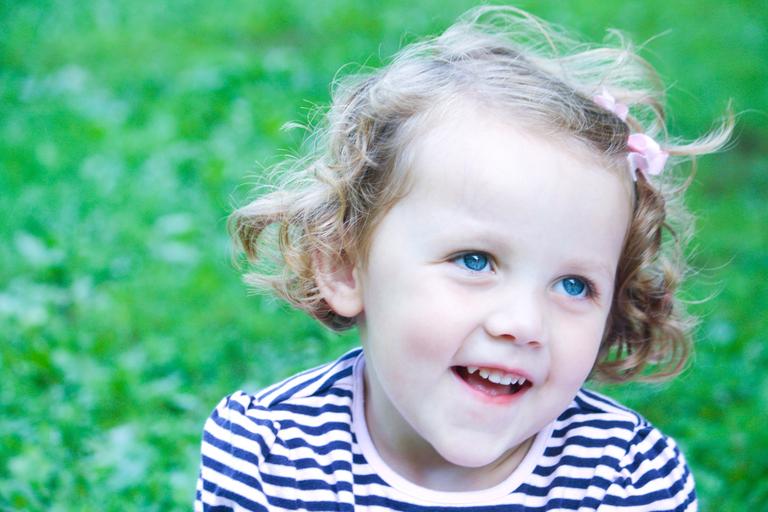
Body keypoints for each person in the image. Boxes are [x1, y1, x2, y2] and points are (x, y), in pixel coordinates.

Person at [196, 6, 731, 511]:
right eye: (475, 261)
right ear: (343, 263)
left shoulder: (625, 478)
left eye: (574, 285)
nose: (524, 324)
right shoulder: (270, 456)